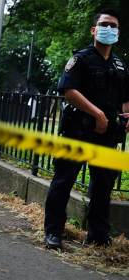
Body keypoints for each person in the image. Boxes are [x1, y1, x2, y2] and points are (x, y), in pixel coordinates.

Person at [44, 9, 129, 250]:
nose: (109, 29)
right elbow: (69, 91)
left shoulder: (121, 64)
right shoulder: (81, 59)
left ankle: (98, 236)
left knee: (103, 186)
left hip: (107, 135)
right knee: (63, 181)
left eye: (114, 26)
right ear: (94, 30)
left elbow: (125, 96)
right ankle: (53, 233)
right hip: (78, 132)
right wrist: (97, 113)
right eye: (104, 25)